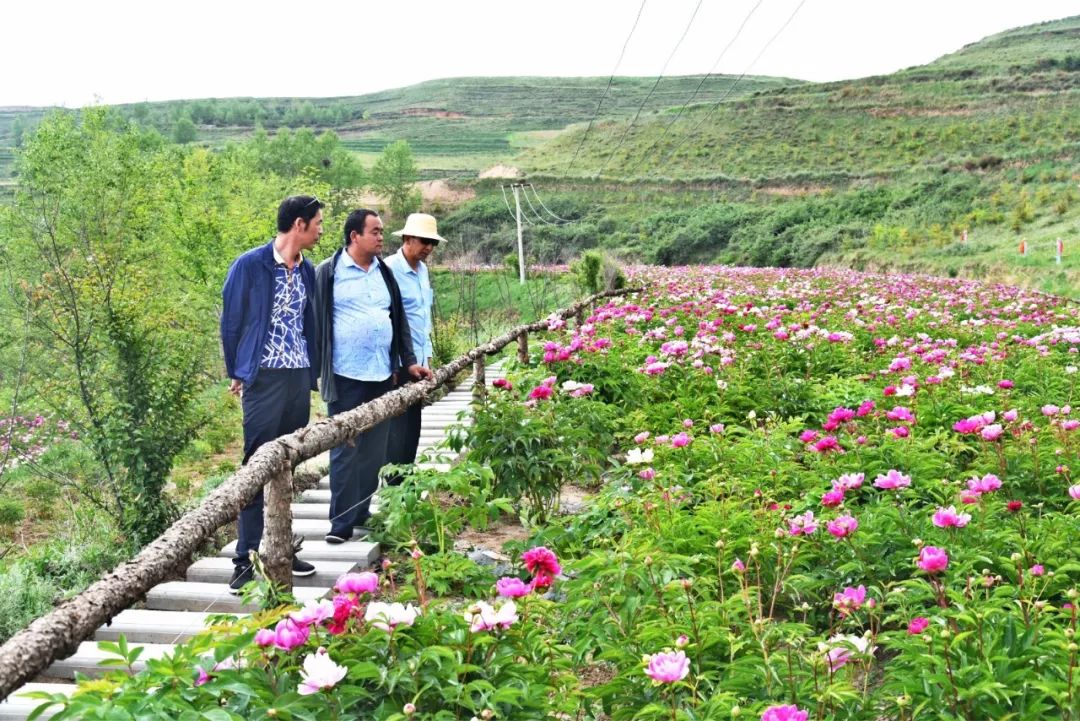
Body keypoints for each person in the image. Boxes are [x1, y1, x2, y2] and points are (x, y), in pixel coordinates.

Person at [220, 195, 323, 593]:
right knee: (256, 464)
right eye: (316, 223)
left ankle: (280, 549)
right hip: (263, 378)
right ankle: (244, 558)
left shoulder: (307, 270)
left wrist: (311, 370)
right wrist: (239, 370)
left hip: (297, 376)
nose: (320, 230)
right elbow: (232, 322)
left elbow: (307, 323)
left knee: (286, 466)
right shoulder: (251, 265)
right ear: (299, 224)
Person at [314, 209, 433, 544]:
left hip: (383, 374)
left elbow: (399, 321)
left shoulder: (384, 272)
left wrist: (408, 362)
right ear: (355, 236)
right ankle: (339, 523)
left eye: (382, 232)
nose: (382, 237)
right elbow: (315, 323)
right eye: (376, 232)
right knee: (344, 448)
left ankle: (362, 511)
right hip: (344, 374)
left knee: (374, 450)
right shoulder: (329, 272)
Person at [384, 213, 444, 481]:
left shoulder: (423, 271)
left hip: (419, 363)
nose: (429, 248)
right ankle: (392, 493)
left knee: (412, 431)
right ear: (407, 238)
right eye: (424, 241)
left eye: (433, 243)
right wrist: (393, 364)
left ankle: (406, 489)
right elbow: (388, 321)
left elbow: (423, 319)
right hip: (398, 365)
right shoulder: (388, 270)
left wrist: (427, 357)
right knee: (395, 434)